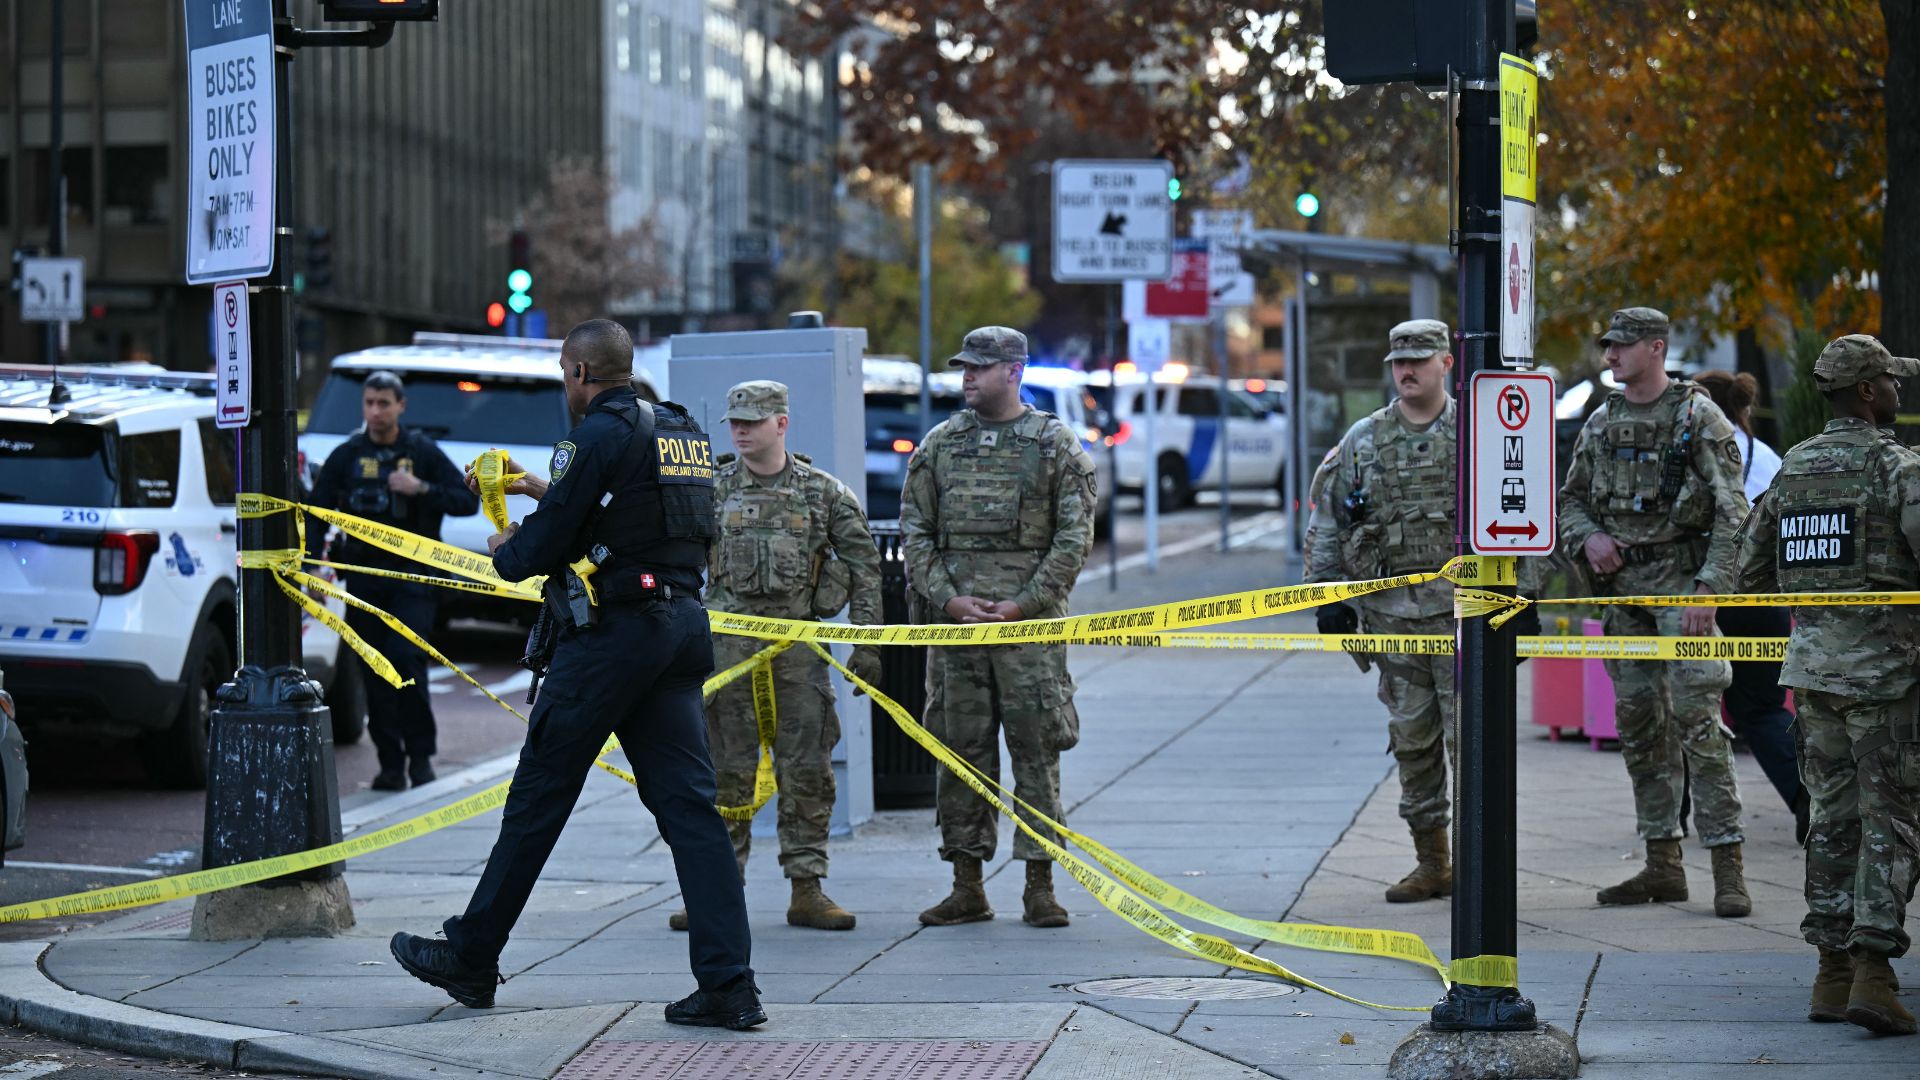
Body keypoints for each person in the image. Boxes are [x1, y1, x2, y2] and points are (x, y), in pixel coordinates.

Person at [389, 320, 762, 1029]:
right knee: (691, 811)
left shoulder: (595, 434)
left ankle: (471, 956)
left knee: (538, 797)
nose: (568, 386)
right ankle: (730, 985)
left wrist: (505, 543)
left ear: (582, 373)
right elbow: (633, 513)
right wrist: (539, 486)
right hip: (679, 628)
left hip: (612, 638)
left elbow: (538, 549)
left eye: (566, 374)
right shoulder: (679, 428)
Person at [1305, 319, 1541, 903]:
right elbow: (1329, 520)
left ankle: (1482, 870)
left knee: (1474, 749)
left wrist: (1526, 598)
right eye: (1398, 362)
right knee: (1412, 744)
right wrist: (1324, 597)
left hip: (1468, 624)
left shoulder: (1480, 434)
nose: (1406, 370)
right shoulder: (1363, 440)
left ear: (1446, 364)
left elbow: (1521, 518)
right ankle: (1432, 861)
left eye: (1419, 359)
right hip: (1393, 624)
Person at [1732, 334, 1920, 1035]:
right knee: (1891, 823)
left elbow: (1749, 572)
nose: (1899, 393)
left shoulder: (1793, 472)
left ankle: (1829, 974)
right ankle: (1874, 971)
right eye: (1892, 383)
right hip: (1889, 683)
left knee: (1831, 823)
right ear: (1868, 393)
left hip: (1812, 681)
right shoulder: (1898, 467)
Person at [665, 379, 882, 933]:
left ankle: (806, 888)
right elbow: (671, 562)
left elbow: (864, 565)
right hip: (726, 658)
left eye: (753, 421)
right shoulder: (711, 489)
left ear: (781, 424)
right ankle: (717, 891)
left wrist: (869, 643)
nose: (740, 430)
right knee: (722, 774)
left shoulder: (822, 493)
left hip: (798, 654)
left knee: (807, 770)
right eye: (735, 421)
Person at [1558, 306, 1753, 917]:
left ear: (1656, 348)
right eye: (1608, 345)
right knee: (1640, 729)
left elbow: (1733, 511)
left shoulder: (1698, 417)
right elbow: (1569, 504)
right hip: (1623, 601)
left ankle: (1727, 867)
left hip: (1682, 594)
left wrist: (1708, 590)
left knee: (1699, 725)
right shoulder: (1600, 423)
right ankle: (1662, 864)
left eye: (1622, 346)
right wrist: (1588, 537)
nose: (1610, 356)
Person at [900, 326, 1097, 929]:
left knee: (1036, 753)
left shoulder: (1055, 445)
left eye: (980, 368)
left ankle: (1040, 883)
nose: (967, 377)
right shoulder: (939, 446)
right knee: (961, 752)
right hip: (956, 632)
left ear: (1013, 372)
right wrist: (948, 599)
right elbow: (915, 533)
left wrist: (1025, 603)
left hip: (1028, 634)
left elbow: (1074, 537)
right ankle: (967, 883)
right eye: (963, 367)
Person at [307, 370, 478, 790]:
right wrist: (312, 564)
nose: (375, 411)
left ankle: (420, 758)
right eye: (369, 403)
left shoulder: (421, 451)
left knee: (404, 659)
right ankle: (389, 763)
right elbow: (316, 510)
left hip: (414, 578)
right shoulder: (347, 455)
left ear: (401, 406)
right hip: (365, 579)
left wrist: (420, 488)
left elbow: (465, 500)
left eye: (384, 403)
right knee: (373, 668)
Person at [1694, 370, 1801, 824]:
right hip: (1765, 598)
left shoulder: (1701, 447)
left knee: (1687, 709)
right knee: (1762, 710)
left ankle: (1673, 825)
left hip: (1706, 593)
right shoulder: (1769, 456)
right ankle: (1806, 803)